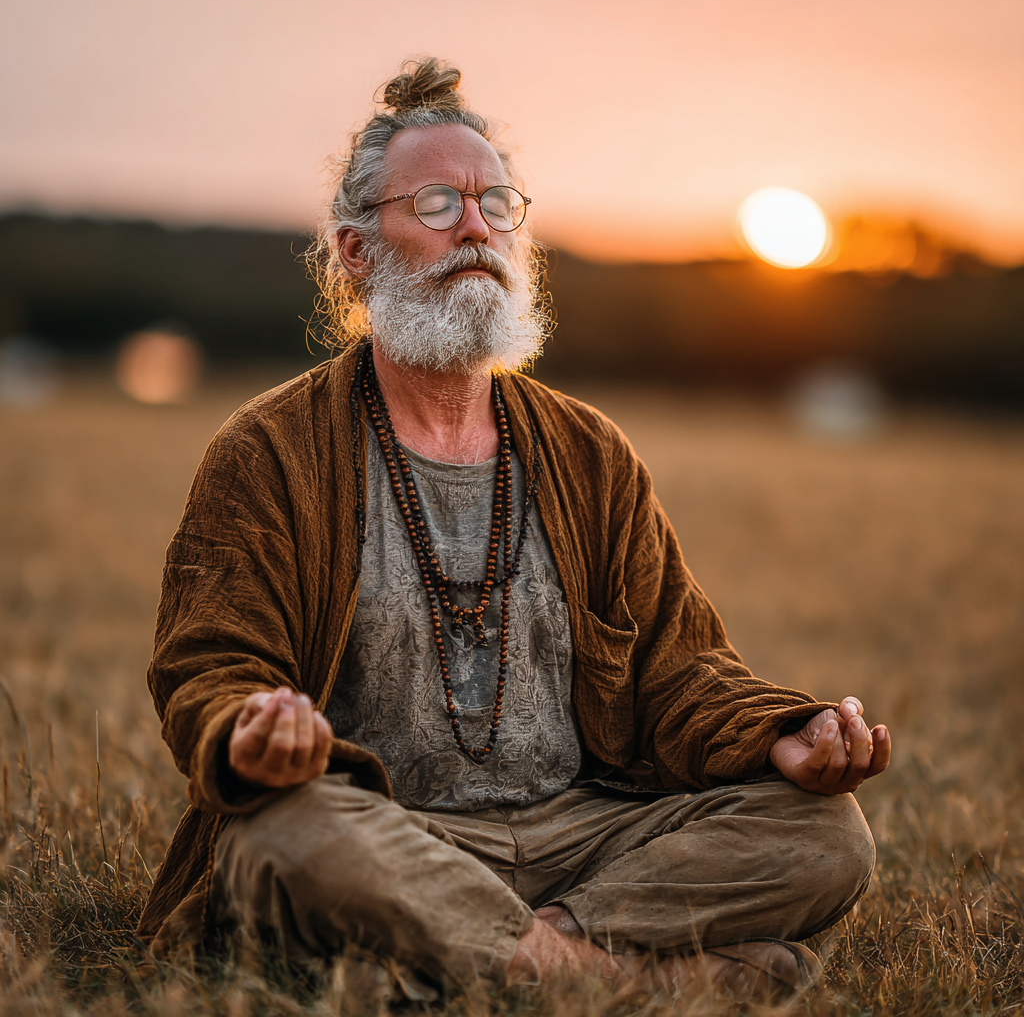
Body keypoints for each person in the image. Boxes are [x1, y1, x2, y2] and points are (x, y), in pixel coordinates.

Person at [138, 58, 890, 999]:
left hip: (584, 838)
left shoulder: (589, 452)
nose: (478, 227)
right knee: (283, 834)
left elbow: (683, 667)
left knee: (828, 834)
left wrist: (785, 734)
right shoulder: (268, 451)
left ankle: (467, 967)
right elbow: (207, 665)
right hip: (392, 830)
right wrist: (250, 726)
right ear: (357, 252)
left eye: (497, 202)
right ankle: (628, 986)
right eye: (441, 201)